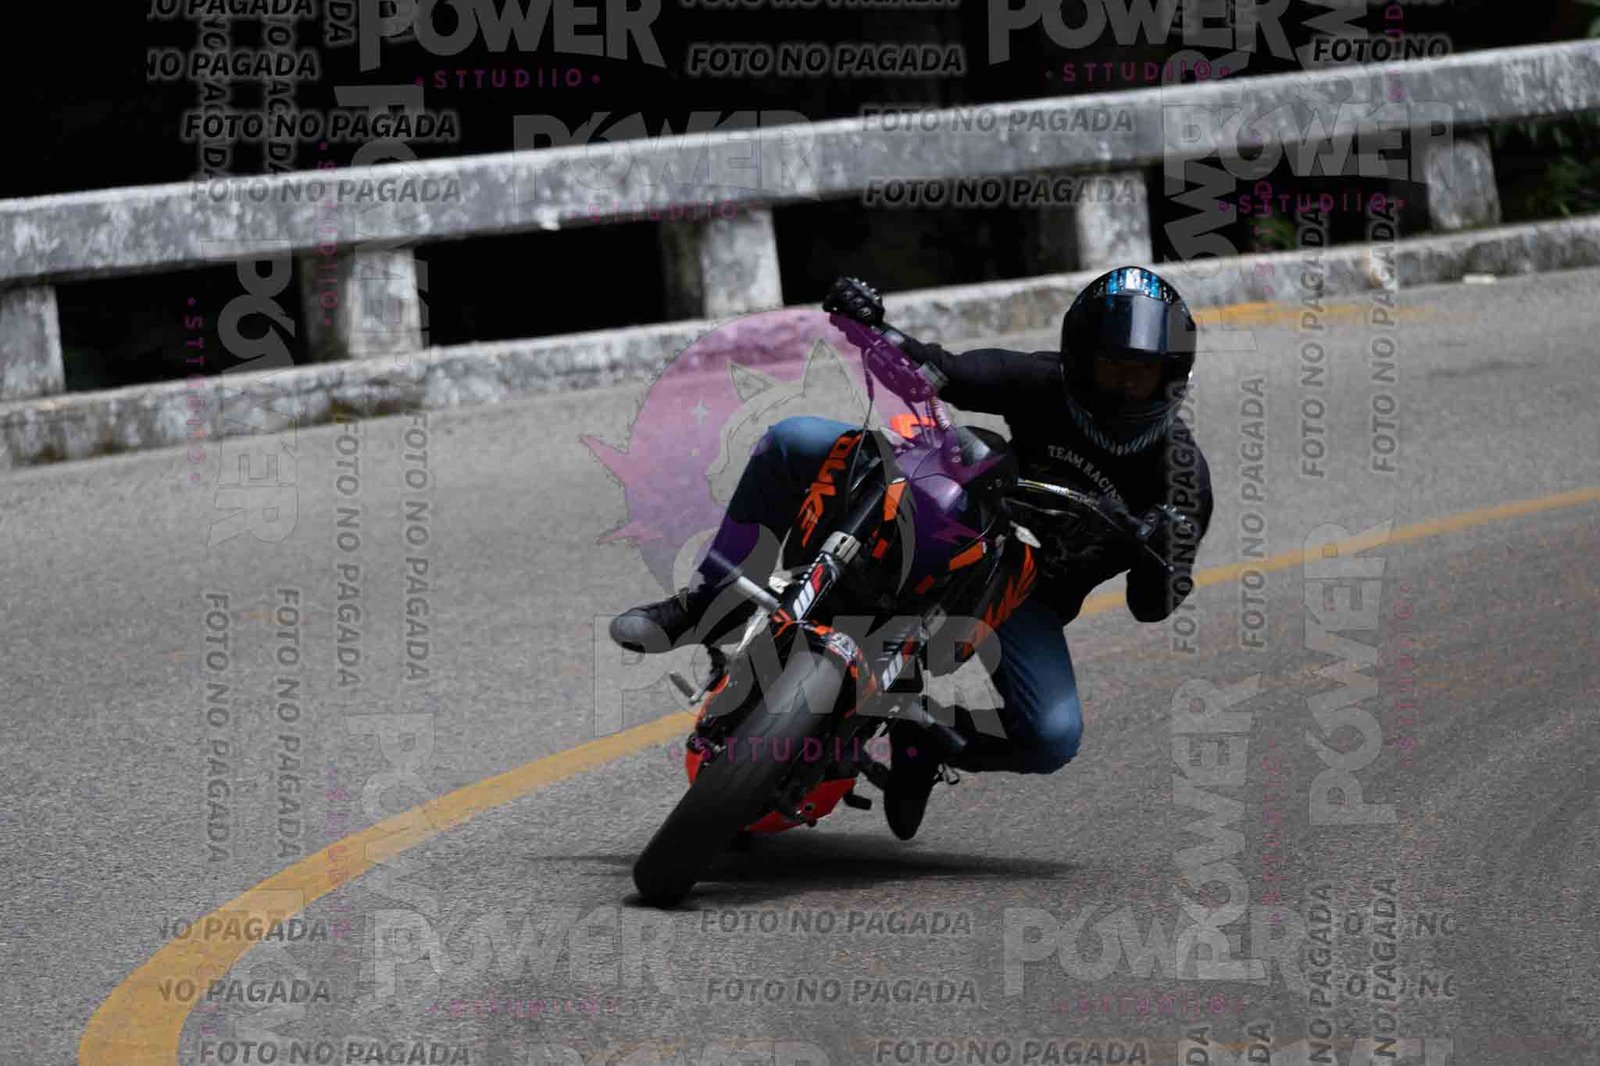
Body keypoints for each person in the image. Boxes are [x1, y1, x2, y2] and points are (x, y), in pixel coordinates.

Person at [608, 266, 1214, 840]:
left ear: (1172, 379)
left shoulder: (1183, 480)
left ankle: (923, 741)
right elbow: (939, 372)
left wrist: (1164, 547)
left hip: (1022, 596)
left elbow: (1150, 606)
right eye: (1110, 370)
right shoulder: (1042, 381)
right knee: (792, 440)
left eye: (1140, 376)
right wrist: (869, 325)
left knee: (1054, 736)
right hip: (962, 518)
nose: (1123, 390)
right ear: (1077, 361)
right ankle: (706, 603)